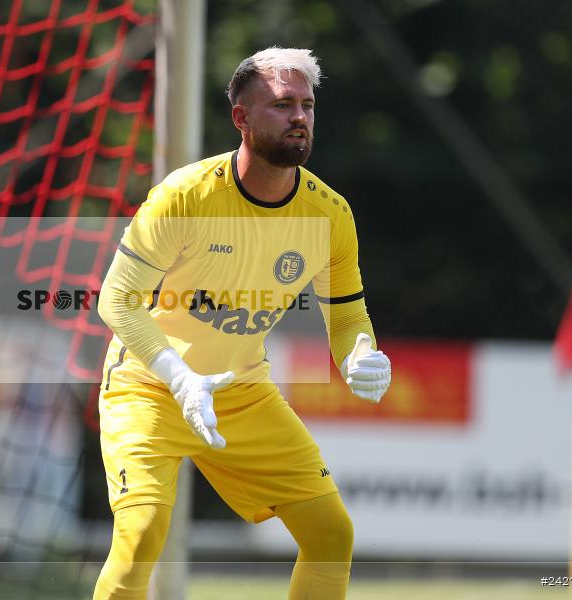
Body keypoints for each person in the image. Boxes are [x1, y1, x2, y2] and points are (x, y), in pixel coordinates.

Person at [93, 47, 392, 600]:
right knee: (141, 535)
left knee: (330, 535)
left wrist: (360, 354)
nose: (299, 116)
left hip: (243, 393)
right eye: (282, 104)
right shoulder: (184, 196)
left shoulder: (330, 213)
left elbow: (347, 313)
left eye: (307, 105)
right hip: (149, 388)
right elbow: (116, 301)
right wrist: (180, 379)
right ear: (242, 118)